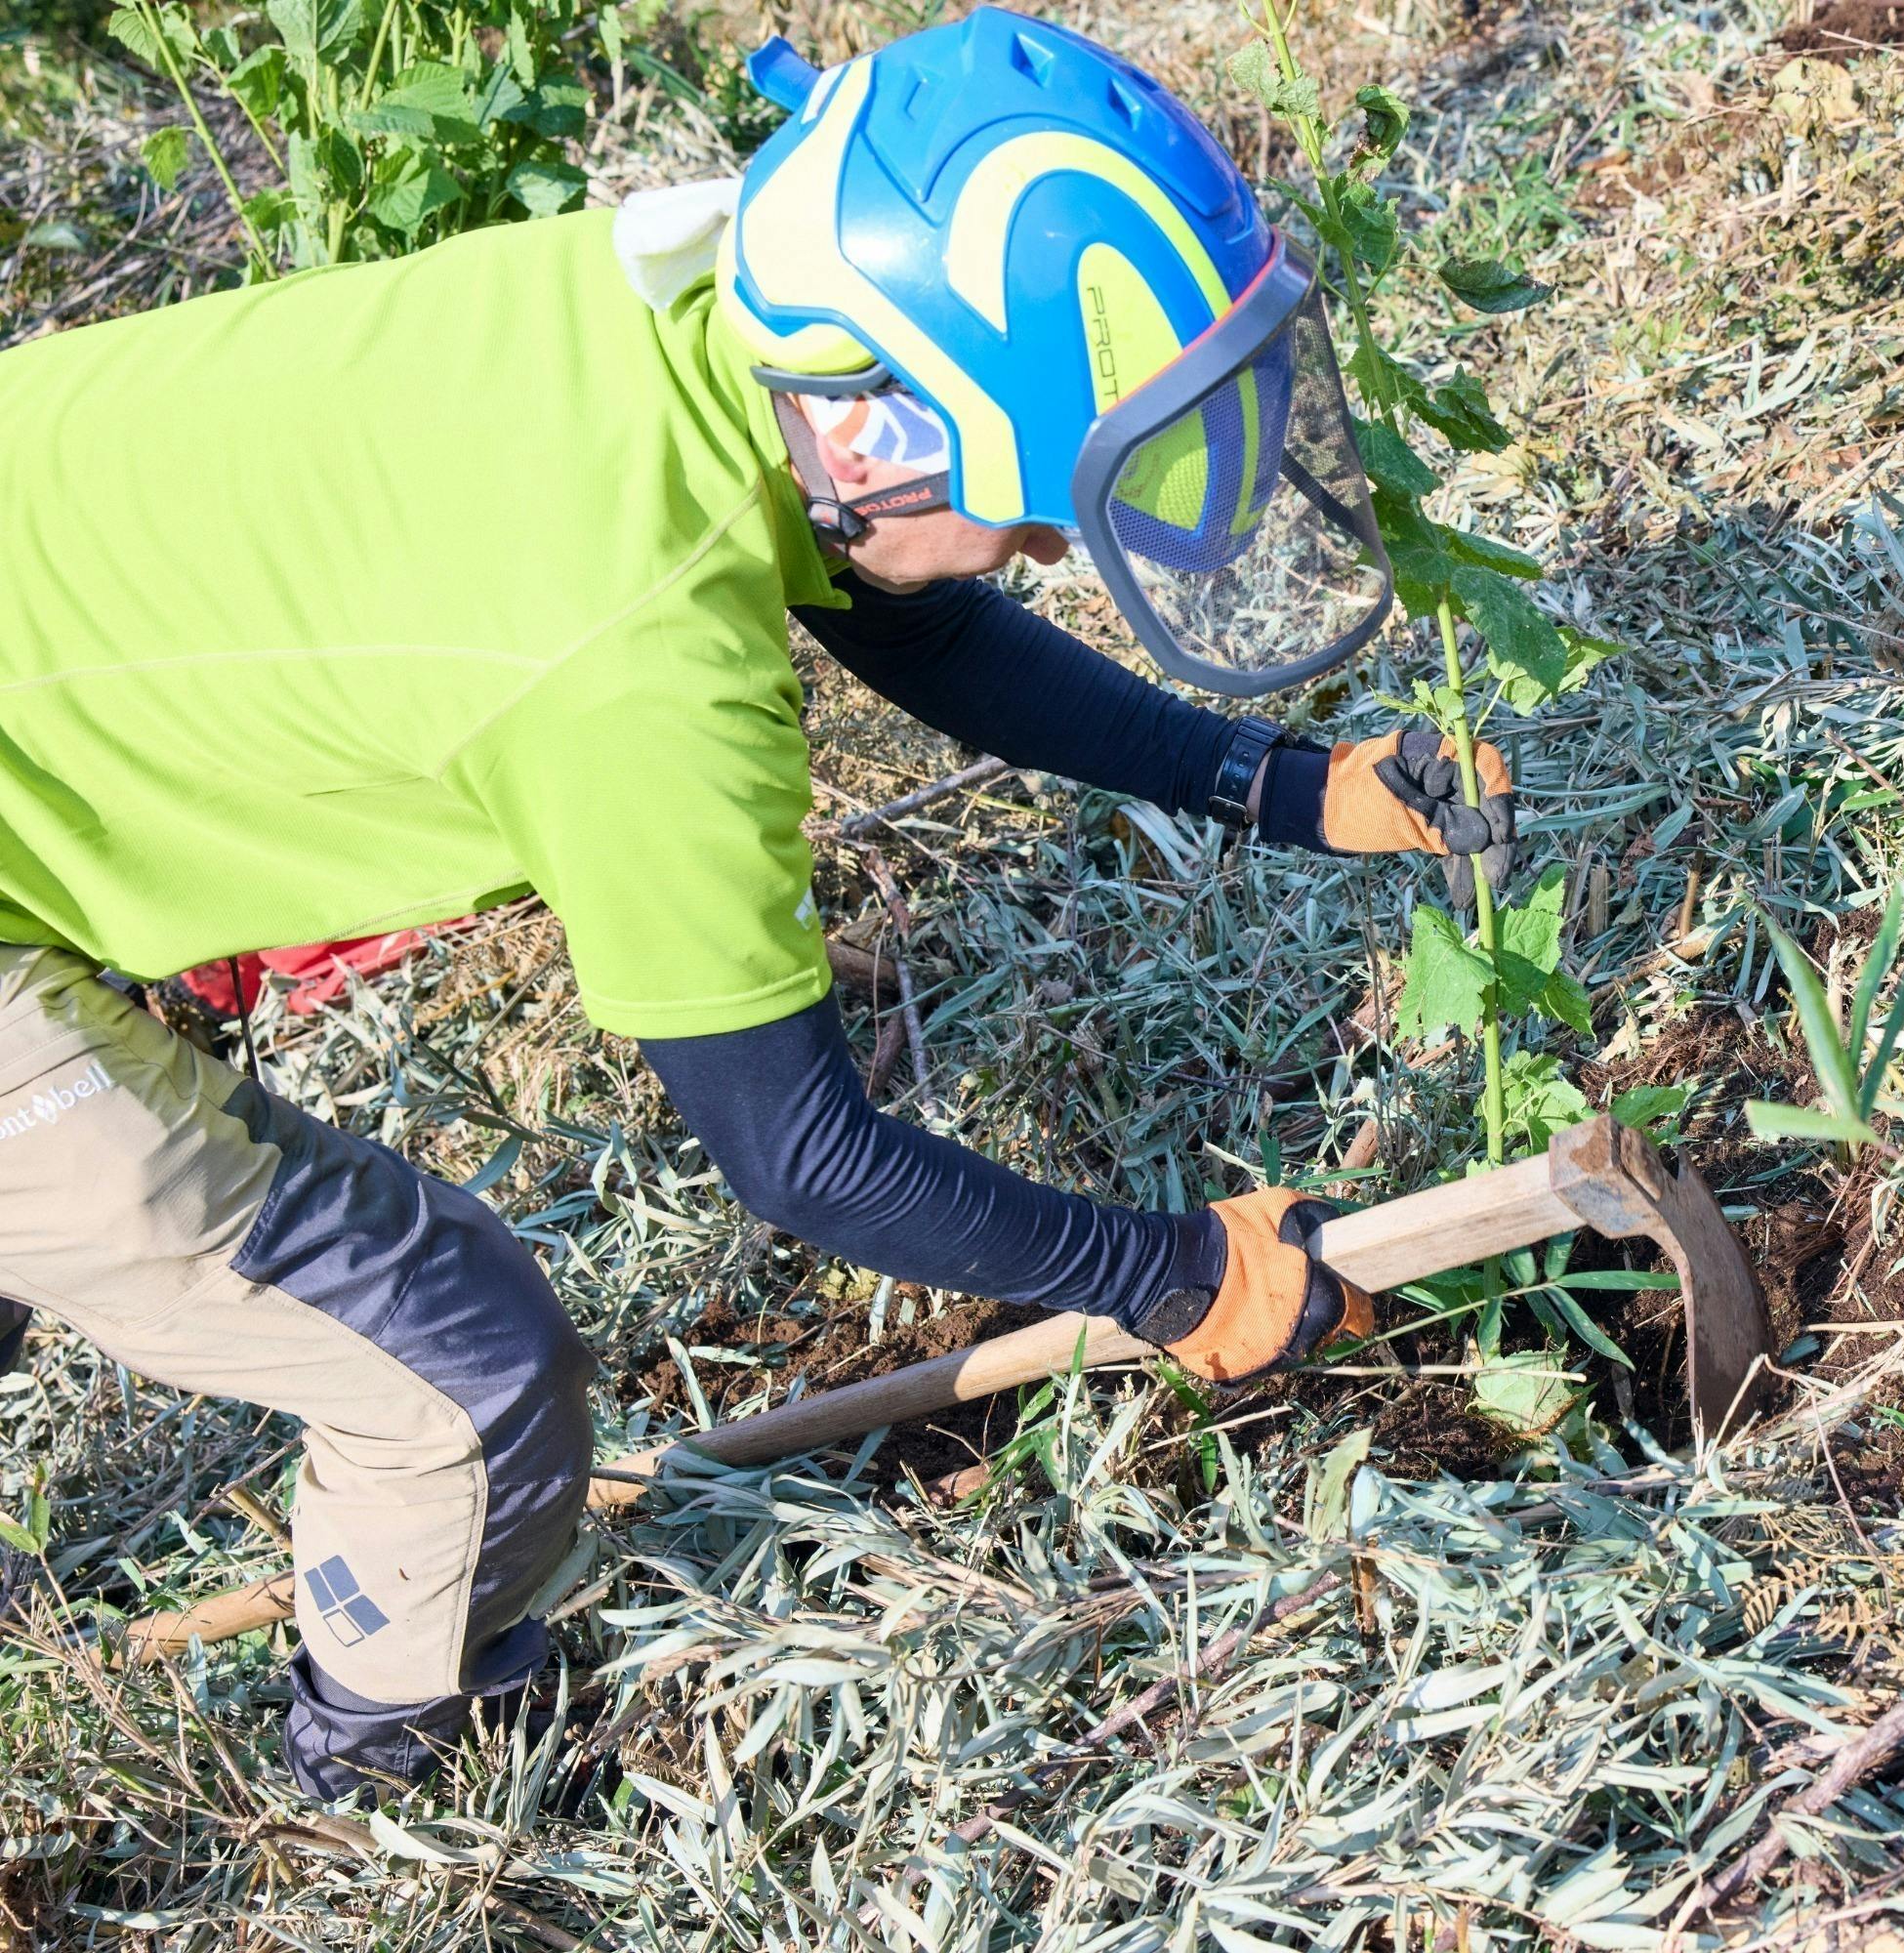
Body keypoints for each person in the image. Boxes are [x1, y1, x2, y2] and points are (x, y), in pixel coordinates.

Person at [0, 7, 1516, 1798]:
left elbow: (913, 608)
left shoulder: (685, 305)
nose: (1046, 558)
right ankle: (388, 1752)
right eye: (1038, 519)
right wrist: (1175, 1278)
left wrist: (1276, 786)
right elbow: (803, 1158)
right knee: (453, 1367)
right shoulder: (634, 658)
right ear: (881, 432)